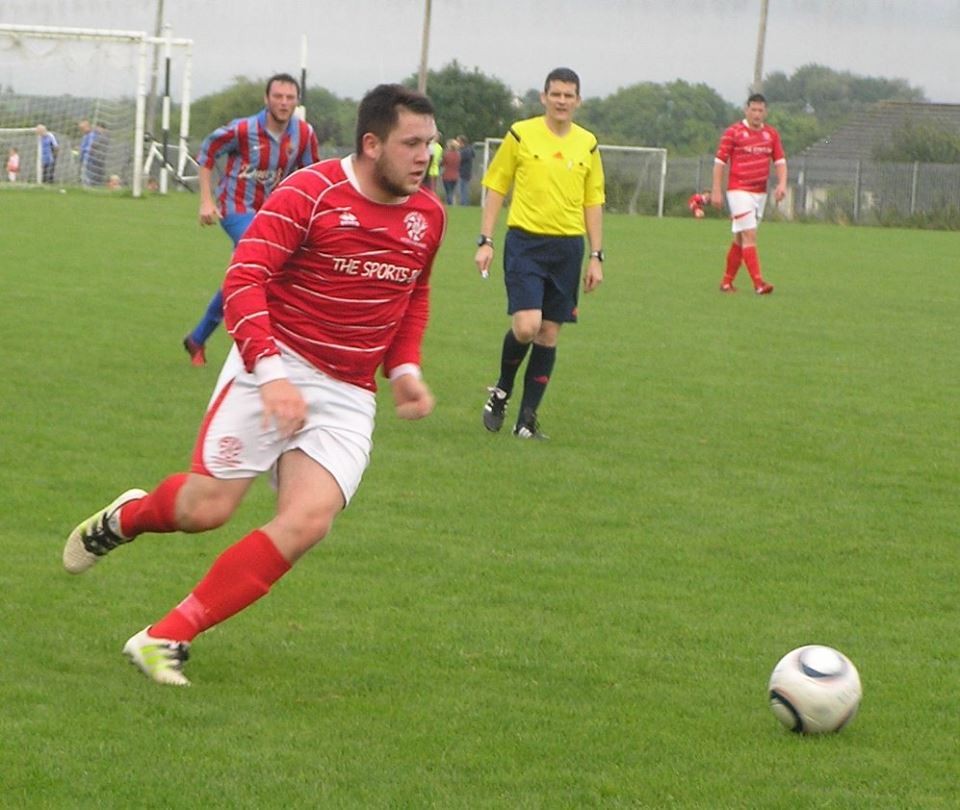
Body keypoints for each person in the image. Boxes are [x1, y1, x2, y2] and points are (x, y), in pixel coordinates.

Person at [62, 83, 445, 687]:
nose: (426, 156)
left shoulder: (428, 215)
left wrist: (404, 370)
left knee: (308, 522)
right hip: (276, 360)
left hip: (348, 391)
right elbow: (244, 279)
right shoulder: (311, 191)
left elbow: (411, 295)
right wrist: (270, 374)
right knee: (205, 510)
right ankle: (126, 518)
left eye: (431, 142)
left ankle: (164, 638)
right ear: (372, 145)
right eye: (412, 143)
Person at [475, 67, 605, 440]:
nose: (562, 101)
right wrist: (485, 240)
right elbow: (496, 185)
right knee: (527, 326)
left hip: (567, 248)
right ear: (544, 97)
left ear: (578, 101)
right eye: (556, 94)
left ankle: (526, 421)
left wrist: (597, 255)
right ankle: (501, 390)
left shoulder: (588, 144)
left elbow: (593, 200)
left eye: (569, 95)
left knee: (548, 334)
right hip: (525, 243)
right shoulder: (521, 134)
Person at [183, 73, 320, 366]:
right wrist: (206, 200)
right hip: (235, 208)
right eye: (278, 97)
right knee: (262, 264)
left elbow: (312, 176)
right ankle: (260, 346)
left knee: (244, 273)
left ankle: (197, 338)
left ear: (297, 101)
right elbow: (206, 153)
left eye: (289, 98)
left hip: (273, 212)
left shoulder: (304, 134)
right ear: (266, 99)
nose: (284, 103)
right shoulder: (242, 130)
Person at [711, 93, 786, 294]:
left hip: (759, 193)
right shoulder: (733, 132)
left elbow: (780, 162)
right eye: (753, 109)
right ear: (746, 110)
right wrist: (716, 190)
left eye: (761, 110)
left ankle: (726, 282)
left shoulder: (771, 134)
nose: (757, 114)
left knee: (740, 238)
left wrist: (782, 184)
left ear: (766, 112)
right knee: (750, 235)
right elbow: (719, 162)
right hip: (738, 190)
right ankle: (759, 283)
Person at [78, 119, 106, 186]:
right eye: (81, 129)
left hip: (93, 160)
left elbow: (92, 147)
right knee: (85, 177)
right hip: (86, 160)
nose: (82, 130)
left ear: (88, 126)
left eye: (83, 128)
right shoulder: (85, 136)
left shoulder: (94, 134)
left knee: (91, 177)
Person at [441, 137, 460, 205]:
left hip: (447, 175)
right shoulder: (458, 155)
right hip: (455, 176)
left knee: (448, 191)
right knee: (452, 191)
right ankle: (451, 202)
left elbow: (442, 163)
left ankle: (450, 203)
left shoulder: (447, 154)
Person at [457, 135, 474, 205]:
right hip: (466, 172)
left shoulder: (465, 151)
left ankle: (464, 203)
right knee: (463, 188)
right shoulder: (468, 150)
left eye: (458, 141)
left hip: (464, 172)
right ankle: (463, 202)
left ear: (462, 142)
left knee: (463, 189)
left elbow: (459, 159)